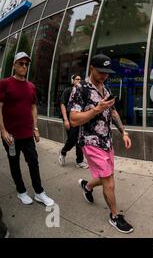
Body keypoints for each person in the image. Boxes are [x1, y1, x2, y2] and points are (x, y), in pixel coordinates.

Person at [68, 54, 133, 234]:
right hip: (91, 141)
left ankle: (87, 186)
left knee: (106, 175)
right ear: (92, 68)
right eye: (101, 72)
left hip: (107, 140)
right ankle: (114, 216)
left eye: (107, 72)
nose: (104, 76)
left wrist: (123, 132)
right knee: (109, 182)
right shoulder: (80, 89)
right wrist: (97, 109)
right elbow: (73, 119)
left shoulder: (105, 88)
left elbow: (113, 112)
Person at [0, 52, 54, 206]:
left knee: (33, 162)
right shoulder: (5, 83)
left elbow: (33, 108)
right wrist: (3, 131)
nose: (24, 66)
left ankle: (39, 192)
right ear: (14, 65)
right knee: (14, 163)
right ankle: (21, 191)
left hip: (27, 134)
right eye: (20, 63)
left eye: (26, 64)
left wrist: (35, 128)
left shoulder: (31, 86)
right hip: (10, 135)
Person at [58, 74, 88, 169]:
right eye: (76, 79)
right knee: (72, 139)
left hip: (80, 118)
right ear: (72, 81)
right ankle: (63, 152)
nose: (79, 80)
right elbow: (62, 104)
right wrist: (66, 120)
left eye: (80, 79)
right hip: (69, 119)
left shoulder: (82, 91)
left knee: (80, 140)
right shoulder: (68, 90)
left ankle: (79, 161)